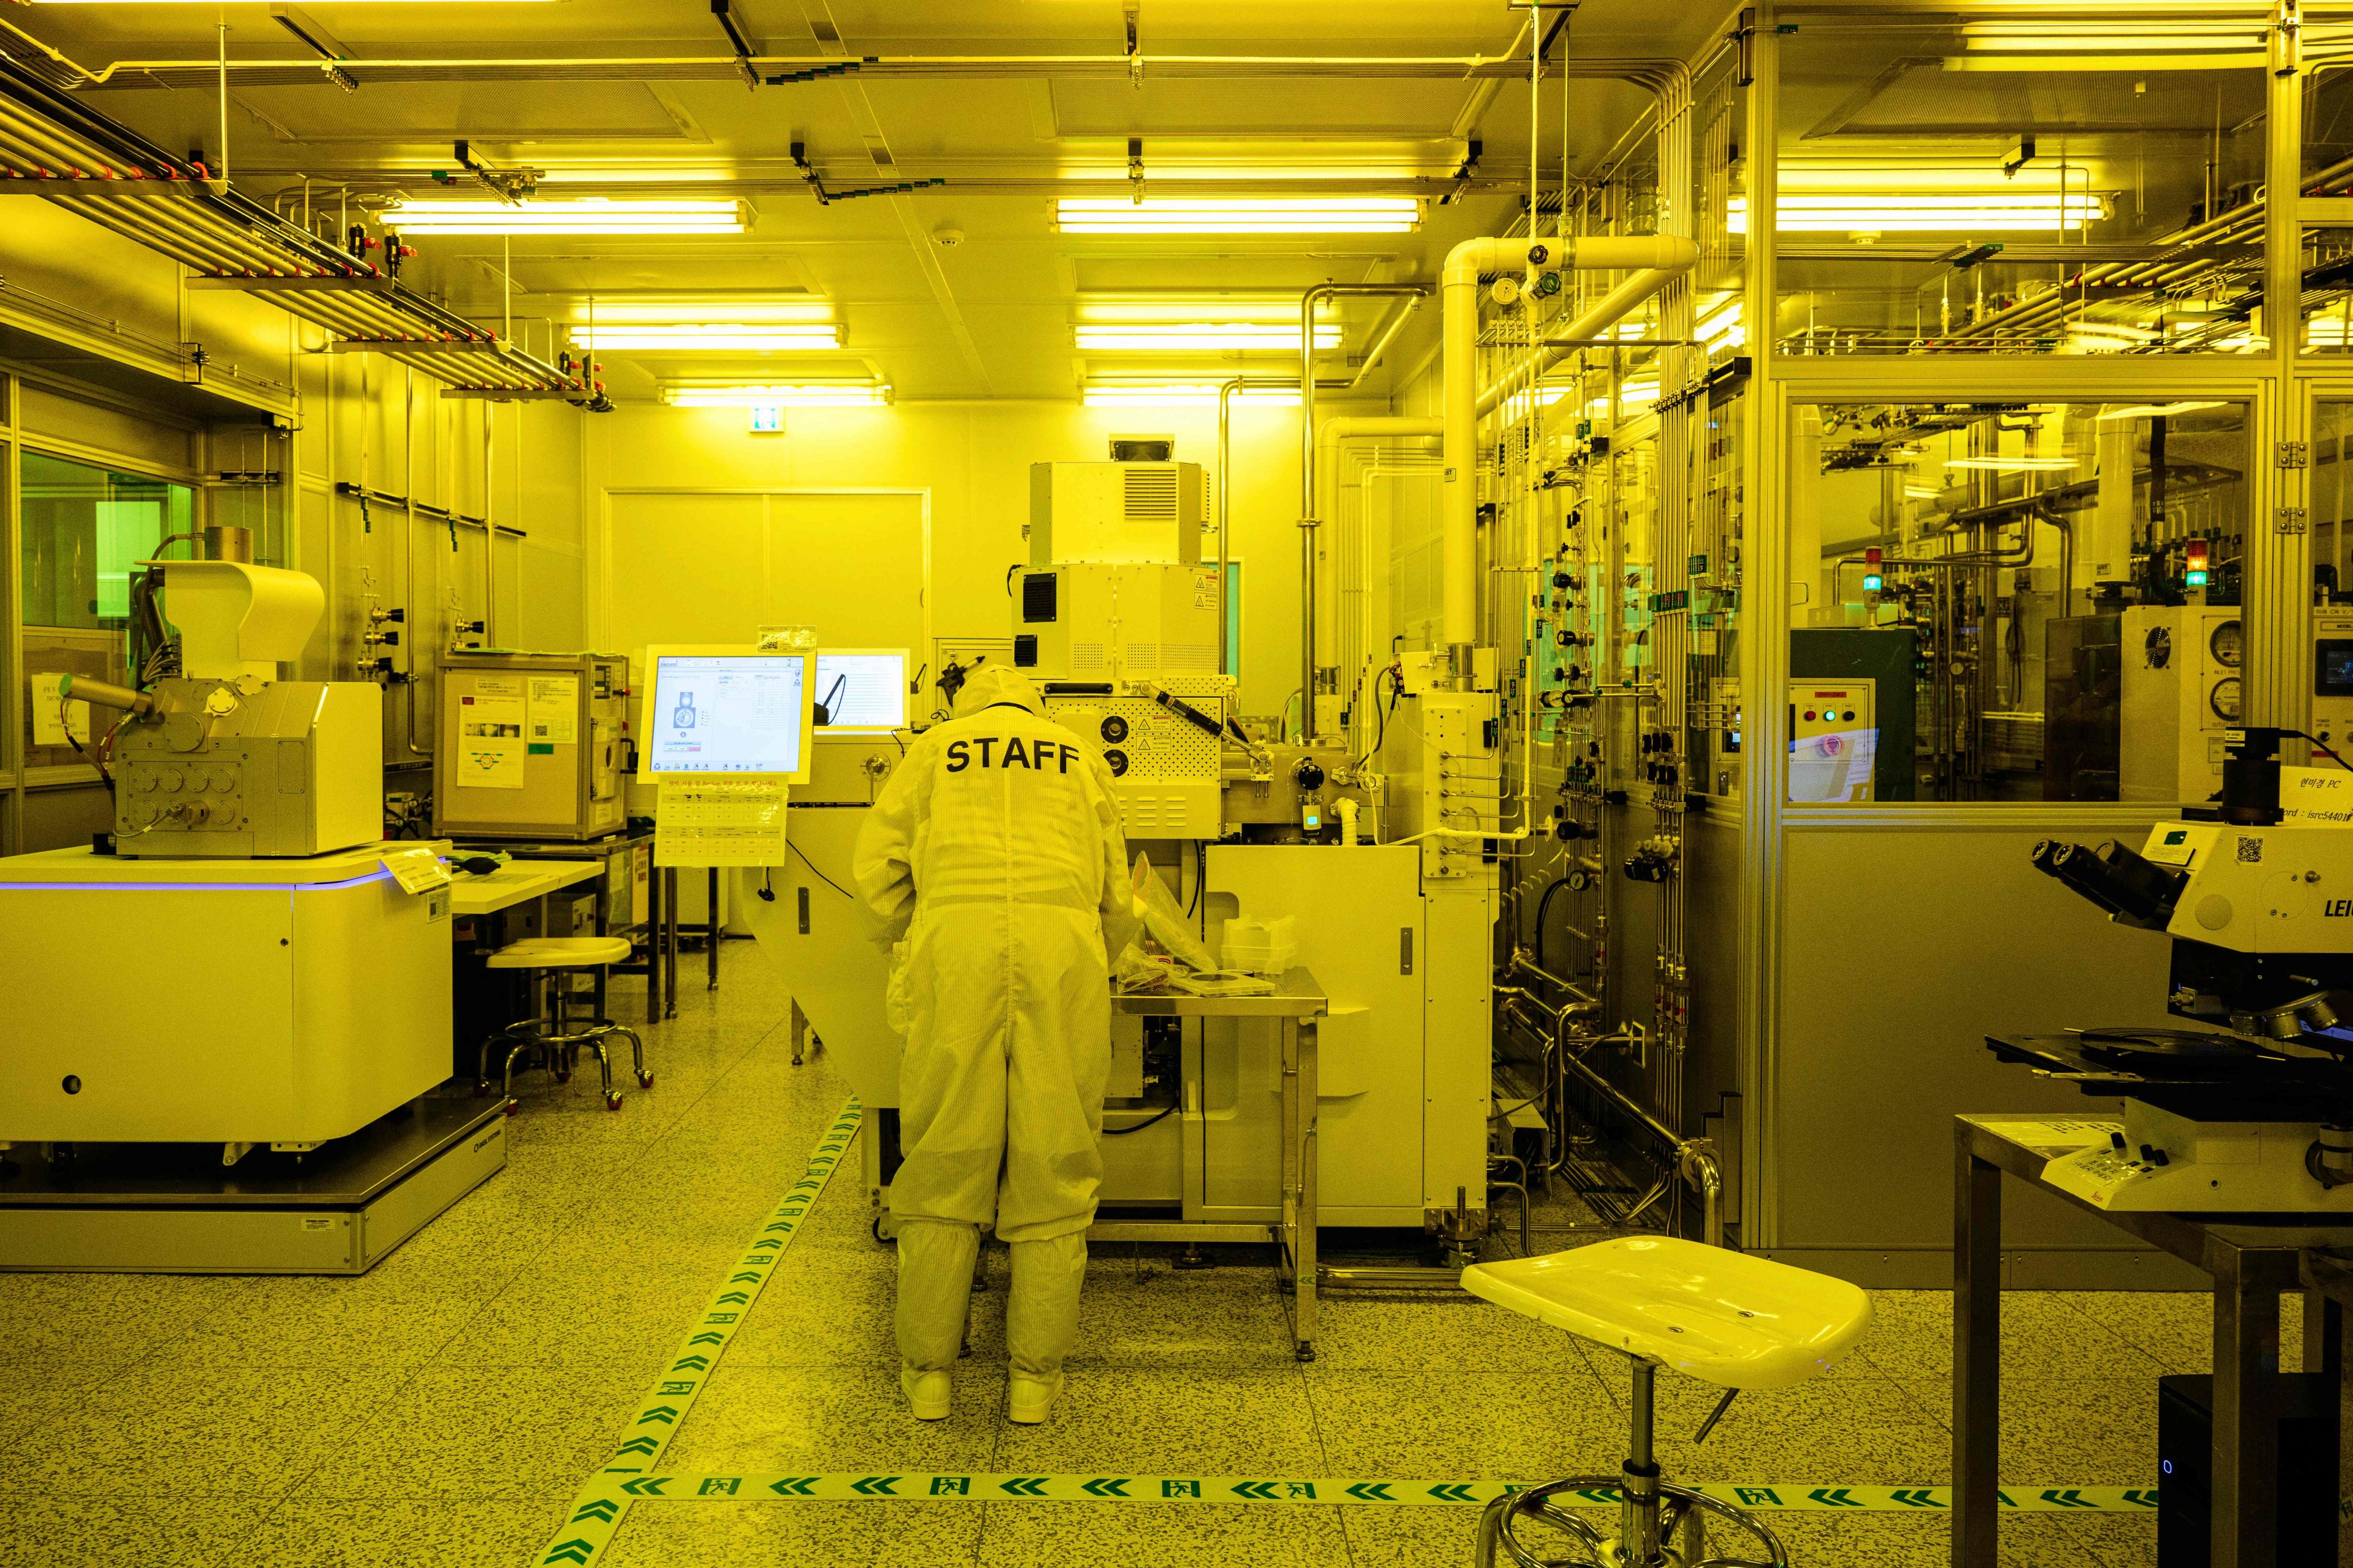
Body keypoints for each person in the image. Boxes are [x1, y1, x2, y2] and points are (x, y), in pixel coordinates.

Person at [851, 666, 1140, 1424]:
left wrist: (917, 940)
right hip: (1060, 949)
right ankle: (1033, 1382)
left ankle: (930, 1375)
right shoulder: (1076, 755)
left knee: (944, 1157)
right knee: (1056, 1159)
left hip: (957, 945)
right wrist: (1095, 954)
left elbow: (877, 880)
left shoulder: (934, 750)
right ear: (1036, 706)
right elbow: (1118, 895)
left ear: (963, 704)